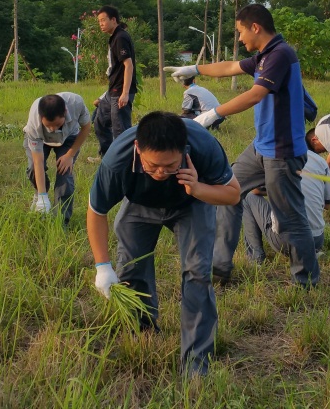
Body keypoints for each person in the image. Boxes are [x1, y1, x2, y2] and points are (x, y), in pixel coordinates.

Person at [163, 4, 321, 288]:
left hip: (282, 151)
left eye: (240, 31)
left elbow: (255, 95)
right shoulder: (265, 55)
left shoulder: (281, 55)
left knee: (290, 218)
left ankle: (306, 280)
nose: (239, 38)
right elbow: (229, 67)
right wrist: (194, 68)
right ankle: (221, 265)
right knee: (228, 191)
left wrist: (213, 114)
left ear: (255, 27)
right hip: (261, 147)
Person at [87, 112, 239, 377]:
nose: (161, 172)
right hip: (140, 205)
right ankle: (143, 331)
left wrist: (198, 189)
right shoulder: (117, 159)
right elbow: (96, 211)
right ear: (138, 148)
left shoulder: (203, 145)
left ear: (183, 150)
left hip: (192, 204)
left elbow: (233, 194)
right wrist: (102, 266)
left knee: (197, 273)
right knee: (131, 268)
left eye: (170, 166)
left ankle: (196, 362)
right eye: (153, 165)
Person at [241, 153, 330, 263]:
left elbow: (255, 191)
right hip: (317, 240)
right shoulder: (320, 161)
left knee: (248, 197)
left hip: (285, 242)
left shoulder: (275, 159)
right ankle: (310, 252)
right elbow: (327, 205)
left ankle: (255, 258)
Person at [23, 92, 92, 221]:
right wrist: (43, 196)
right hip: (41, 139)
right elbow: (38, 162)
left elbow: (86, 127)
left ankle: (61, 220)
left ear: (65, 112)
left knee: (65, 173)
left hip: (68, 137)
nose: (53, 129)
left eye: (57, 124)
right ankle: (40, 196)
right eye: (48, 125)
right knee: (33, 168)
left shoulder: (76, 103)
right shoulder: (34, 122)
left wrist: (70, 155)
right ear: (41, 117)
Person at [93, 5, 136, 156]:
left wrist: (125, 93)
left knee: (120, 130)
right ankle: (107, 156)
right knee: (100, 122)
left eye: (103, 20)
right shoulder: (114, 37)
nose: (101, 24)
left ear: (113, 20)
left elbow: (128, 65)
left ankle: (124, 160)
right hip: (112, 90)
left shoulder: (121, 37)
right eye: (99, 21)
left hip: (120, 90)